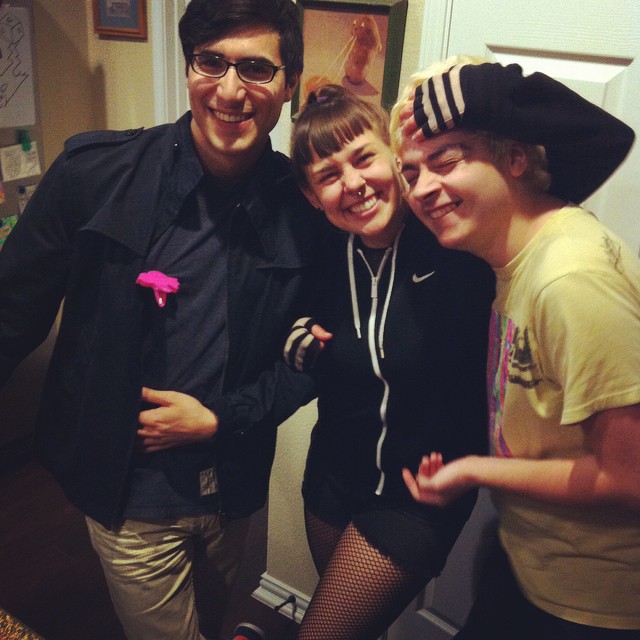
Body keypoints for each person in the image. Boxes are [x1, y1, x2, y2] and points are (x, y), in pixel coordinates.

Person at [0, 1, 328, 639]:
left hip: (235, 486)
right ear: (188, 68)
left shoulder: (308, 209)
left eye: (257, 69)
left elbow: (320, 355)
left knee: (221, 615)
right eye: (212, 62)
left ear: (289, 86)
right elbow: (10, 314)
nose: (230, 91)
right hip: (129, 495)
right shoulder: (93, 176)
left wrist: (225, 417)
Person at [392, 56, 640, 638]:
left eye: (445, 160)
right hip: (532, 567)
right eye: (410, 172)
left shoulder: (568, 277)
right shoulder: (513, 259)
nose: (422, 188)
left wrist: (480, 469)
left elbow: (630, 477)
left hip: (593, 604)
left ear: (516, 157)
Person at [283, 84, 495, 640]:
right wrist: (297, 338)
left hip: (416, 498)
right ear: (312, 195)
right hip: (331, 477)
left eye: (363, 158)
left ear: (393, 159)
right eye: (329, 175)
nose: (352, 184)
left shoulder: (453, 240)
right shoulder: (322, 252)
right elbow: (287, 324)